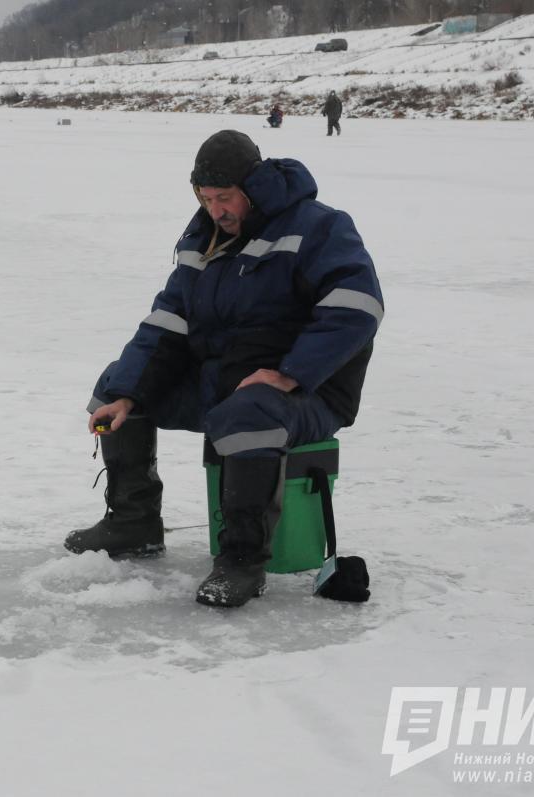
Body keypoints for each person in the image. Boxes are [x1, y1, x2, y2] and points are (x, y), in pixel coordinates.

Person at [64, 130, 383, 608]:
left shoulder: (319, 227)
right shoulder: (204, 239)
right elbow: (167, 322)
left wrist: (292, 372)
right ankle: (134, 523)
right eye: (205, 198)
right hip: (227, 382)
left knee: (248, 412)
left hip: (308, 393)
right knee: (116, 382)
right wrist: (130, 393)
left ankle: (242, 559)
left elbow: (357, 308)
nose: (217, 210)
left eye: (225, 197)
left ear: (253, 187)